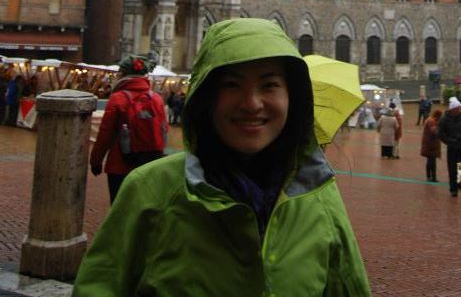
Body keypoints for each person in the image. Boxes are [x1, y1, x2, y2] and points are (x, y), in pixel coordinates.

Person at [73, 18, 371, 297]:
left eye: (269, 85)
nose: (252, 104)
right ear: (207, 97)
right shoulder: (149, 190)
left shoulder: (319, 194)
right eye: (231, 85)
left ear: (292, 96)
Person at [89, 53, 166, 203]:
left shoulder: (118, 98)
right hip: (149, 164)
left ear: (123, 74)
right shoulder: (156, 99)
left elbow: (105, 134)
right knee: (142, 205)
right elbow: (164, 131)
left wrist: (96, 161)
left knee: (119, 206)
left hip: (120, 164)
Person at [420, 107, 442, 181]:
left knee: (430, 161)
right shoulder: (432, 121)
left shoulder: (430, 120)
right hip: (431, 145)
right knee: (432, 162)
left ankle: (429, 176)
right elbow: (434, 131)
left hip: (429, 144)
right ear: (438, 116)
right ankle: (433, 177)